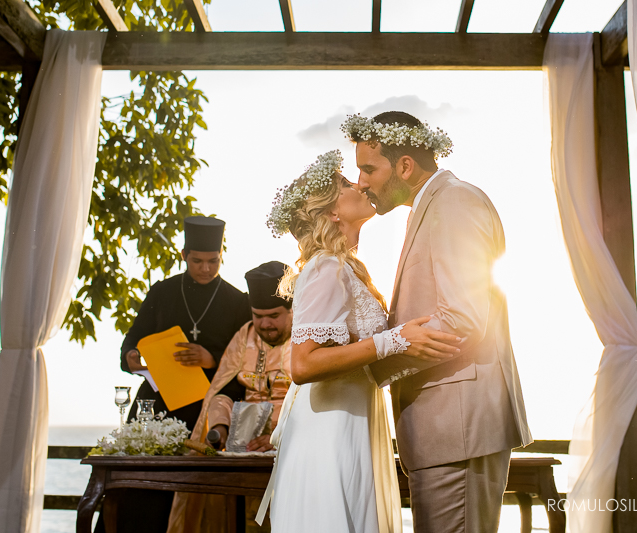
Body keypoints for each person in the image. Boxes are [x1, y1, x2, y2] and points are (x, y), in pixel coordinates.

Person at [345, 111, 534, 533]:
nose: (360, 182)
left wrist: (372, 365)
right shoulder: (431, 206)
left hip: (458, 428)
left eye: (368, 168)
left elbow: (462, 317)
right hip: (443, 431)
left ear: (405, 166)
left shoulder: (454, 201)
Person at [256, 150, 463, 533]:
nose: (360, 184)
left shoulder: (344, 268)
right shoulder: (325, 267)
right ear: (332, 212)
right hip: (328, 433)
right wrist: (394, 341)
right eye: (347, 184)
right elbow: (302, 365)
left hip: (351, 421)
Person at [113, 215, 251, 533]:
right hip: (157, 405)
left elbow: (247, 359)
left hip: (205, 410)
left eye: (213, 261)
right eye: (197, 261)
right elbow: (131, 341)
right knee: (140, 494)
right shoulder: (162, 292)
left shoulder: (235, 300)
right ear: (184, 255)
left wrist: (212, 358)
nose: (205, 268)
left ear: (221, 257)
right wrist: (131, 356)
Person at [168, 260, 295, 533]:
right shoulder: (245, 335)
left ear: (292, 310)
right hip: (244, 448)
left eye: (273, 315)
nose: (264, 324)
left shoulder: (306, 337)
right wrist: (219, 427)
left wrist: (277, 431)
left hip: (291, 444)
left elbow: (311, 400)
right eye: (258, 315)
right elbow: (225, 390)